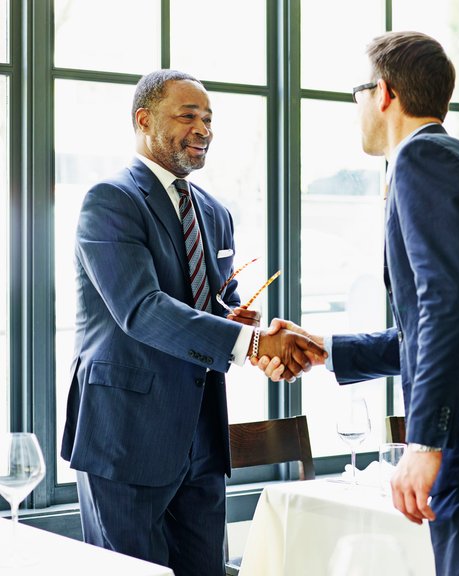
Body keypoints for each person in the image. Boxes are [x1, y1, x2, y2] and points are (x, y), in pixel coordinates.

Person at [258, 32, 459, 576]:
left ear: (384, 92)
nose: (356, 106)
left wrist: (424, 442)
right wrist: (327, 348)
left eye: (358, 92)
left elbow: (449, 308)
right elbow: (450, 317)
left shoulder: (421, 161)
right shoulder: (457, 159)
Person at [60, 69, 324, 576]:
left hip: (203, 437)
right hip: (125, 437)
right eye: (188, 116)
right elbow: (141, 310)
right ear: (144, 120)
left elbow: (215, 300)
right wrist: (249, 342)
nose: (203, 128)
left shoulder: (215, 212)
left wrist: (234, 315)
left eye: (208, 118)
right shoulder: (110, 201)